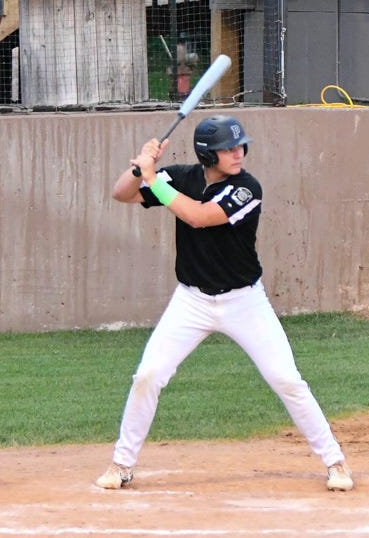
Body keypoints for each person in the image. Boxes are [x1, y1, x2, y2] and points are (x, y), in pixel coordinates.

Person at [98, 116, 354, 492]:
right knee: (148, 375)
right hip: (191, 301)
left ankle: (335, 462)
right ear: (207, 153)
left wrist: (153, 178)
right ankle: (121, 464)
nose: (238, 153)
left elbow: (199, 218)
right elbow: (122, 193)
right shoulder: (181, 178)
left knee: (286, 378)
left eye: (240, 146)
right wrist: (139, 167)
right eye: (229, 148)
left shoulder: (247, 188)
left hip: (244, 301)